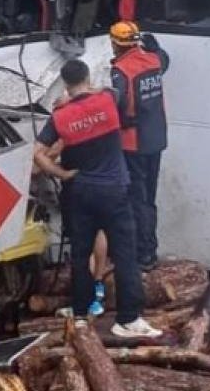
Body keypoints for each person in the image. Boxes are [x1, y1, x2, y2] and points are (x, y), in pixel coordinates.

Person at [34, 59, 161, 338]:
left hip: (80, 192)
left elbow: (39, 153)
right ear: (87, 77)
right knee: (126, 254)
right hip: (115, 190)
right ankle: (128, 319)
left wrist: (61, 174)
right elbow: (107, 90)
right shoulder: (107, 99)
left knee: (80, 256)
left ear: (65, 83)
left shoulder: (59, 118)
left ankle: (81, 314)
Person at [109, 21, 170, 271]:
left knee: (137, 199)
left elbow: (118, 103)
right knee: (150, 197)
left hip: (133, 143)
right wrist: (157, 46)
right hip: (156, 139)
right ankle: (149, 249)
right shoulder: (153, 60)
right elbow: (165, 59)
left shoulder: (121, 70)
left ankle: (144, 253)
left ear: (115, 43)